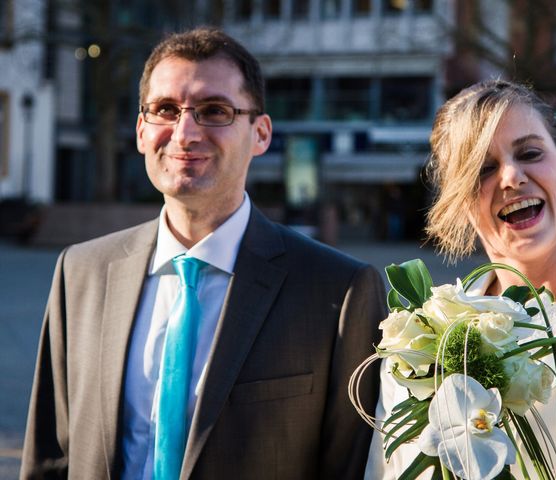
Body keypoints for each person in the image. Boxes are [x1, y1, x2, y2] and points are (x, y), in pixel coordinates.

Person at [21, 28, 386, 480]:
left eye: (214, 111)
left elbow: (348, 467)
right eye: (165, 110)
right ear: (141, 131)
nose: (185, 132)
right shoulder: (80, 273)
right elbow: (50, 458)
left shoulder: (338, 292)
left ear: (261, 133)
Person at [365, 79, 556, 479]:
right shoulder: (417, 343)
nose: (511, 177)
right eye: (483, 169)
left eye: (529, 153)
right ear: (460, 203)